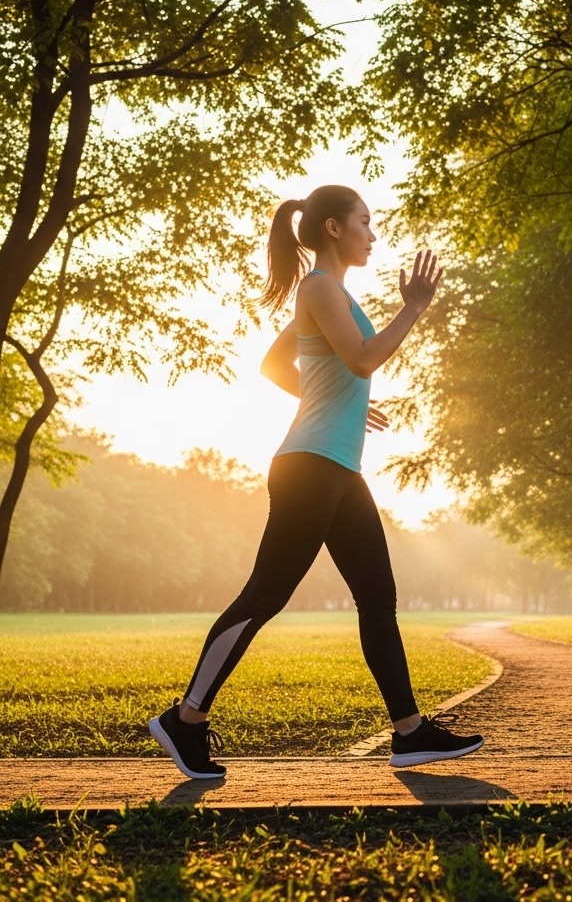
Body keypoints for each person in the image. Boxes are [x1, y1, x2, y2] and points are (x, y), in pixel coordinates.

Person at [148, 184, 484, 779]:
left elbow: (278, 364)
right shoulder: (321, 288)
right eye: (364, 221)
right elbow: (360, 359)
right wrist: (414, 307)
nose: (372, 235)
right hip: (310, 466)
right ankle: (184, 720)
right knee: (265, 595)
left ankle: (409, 734)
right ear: (333, 228)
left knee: (378, 599)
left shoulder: (331, 294)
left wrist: (332, 396)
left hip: (338, 467)